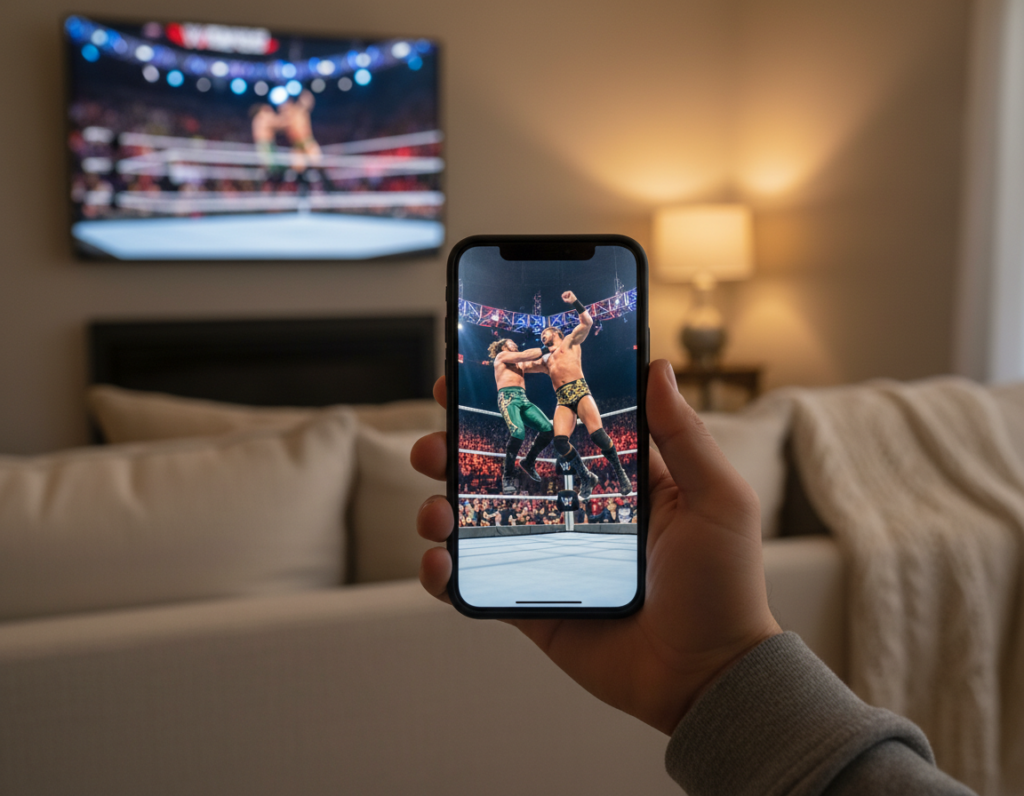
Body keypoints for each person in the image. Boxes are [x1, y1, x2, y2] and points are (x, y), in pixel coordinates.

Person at [410, 360, 975, 795]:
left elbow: (564, 336)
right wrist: (721, 671)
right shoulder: (510, 363)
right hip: (546, 398)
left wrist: (718, 668)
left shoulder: (563, 350)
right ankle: (540, 467)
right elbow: (528, 356)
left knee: (564, 439)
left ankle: (562, 465)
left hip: (571, 393)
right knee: (552, 442)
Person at [528, 291, 632, 498]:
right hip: (563, 400)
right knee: (559, 442)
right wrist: (501, 359)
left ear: (556, 333)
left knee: (598, 436)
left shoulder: (569, 341)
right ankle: (586, 477)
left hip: (580, 390)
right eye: (541, 336)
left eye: (545, 333)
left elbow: (587, 322)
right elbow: (523, 366)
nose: (542, 336)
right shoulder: (545, 360)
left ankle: (620, 474)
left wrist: (574, 302)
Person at [487, 338, 555, 495]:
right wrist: (545, 348)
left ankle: (529, 461)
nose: (515, 344)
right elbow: (526, 355)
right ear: (503, 346)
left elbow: (535, 364)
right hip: (508, 397)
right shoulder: (501, 357)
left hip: (523, 399)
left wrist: (553, 360)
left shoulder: (520, 363)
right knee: (518, 433)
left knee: (548, 429)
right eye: (512, 343)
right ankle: (507, 477)